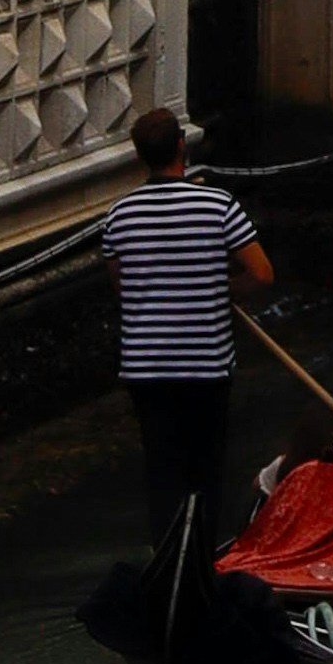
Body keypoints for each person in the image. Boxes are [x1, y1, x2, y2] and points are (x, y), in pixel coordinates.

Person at [101, 104, 272, 571]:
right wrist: (223, 289)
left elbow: (122, 285)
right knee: (204, 474)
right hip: (205, 368)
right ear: (181, 146)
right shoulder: (217, 205)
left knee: (162, 473)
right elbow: (261, 273)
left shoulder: (119, 215)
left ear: (141, 157)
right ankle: (198, 566)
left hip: (146, 370)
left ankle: (166, 563)